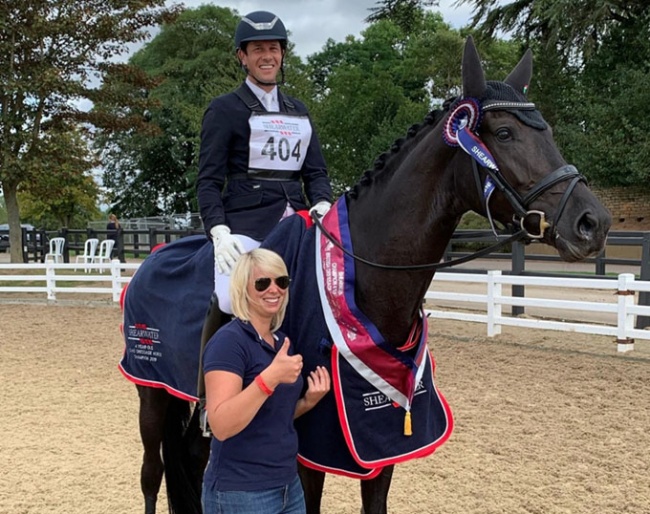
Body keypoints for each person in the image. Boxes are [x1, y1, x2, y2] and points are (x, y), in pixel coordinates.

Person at [197, 10, 333, 314]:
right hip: (248, 226)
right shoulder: (224, 109)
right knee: (230, 298)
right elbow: (208, 182)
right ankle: (215, 360)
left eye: (273, 48)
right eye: (258, 49)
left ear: (282, 54)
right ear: (242, 56)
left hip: (300, 224)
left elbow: (316, 173)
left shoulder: (298, 110)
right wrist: (219, 231)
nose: (267, 56)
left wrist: (323, 201)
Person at [201, 248, 330, 514]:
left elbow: (273, 417)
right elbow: (221, 425)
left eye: (281, 281)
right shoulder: (229, 342)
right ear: (243, 288)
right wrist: (269, 378)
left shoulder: (281, 342)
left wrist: (308, 401)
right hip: (240, 493)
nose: (274, 289)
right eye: (262, 283)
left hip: (289, 486)